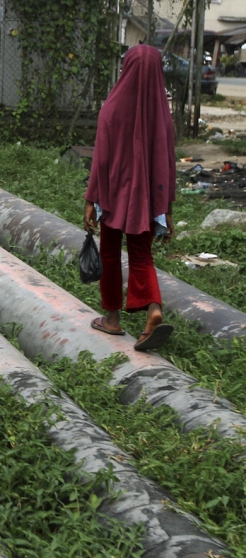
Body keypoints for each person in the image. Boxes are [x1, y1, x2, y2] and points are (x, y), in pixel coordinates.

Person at [84, 44, 175, 351]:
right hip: (147, 203)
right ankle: (153, 308)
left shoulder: (111, 110)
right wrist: (167, 210)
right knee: (141, 254)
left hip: (112, 198)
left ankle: (110, 318)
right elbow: (168, 168)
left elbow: (100, 162)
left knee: (109, 252)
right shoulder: (162, 118)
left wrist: (91, 200)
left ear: (126, 69)